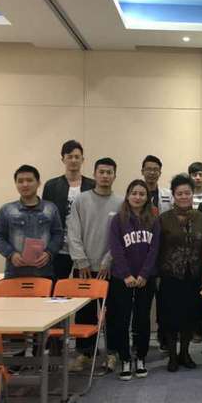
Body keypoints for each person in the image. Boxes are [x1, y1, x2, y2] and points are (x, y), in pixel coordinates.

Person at [67, 157, 123, 372]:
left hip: (110, 268)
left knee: (114, 313)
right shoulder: (81, 200)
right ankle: (85, 353)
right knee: (85, 313)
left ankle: (113, 353)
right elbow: (73, 232)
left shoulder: (121, 203)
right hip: (84, 268)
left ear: (115, 176)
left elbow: (120, 236)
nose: (105, 176)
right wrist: (80, 260)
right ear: (94, 174)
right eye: (102, 172)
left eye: (109, 172)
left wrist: (108, 260)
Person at [108, 179, 160, 381]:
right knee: (122, 319)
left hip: (146, 279)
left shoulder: (153, 219)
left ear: (147, 198)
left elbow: (154, 249)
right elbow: (116, 249)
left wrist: (144, 274)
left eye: (142, 194)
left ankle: (141, 357)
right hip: (122, 279)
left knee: (142, 319)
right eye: (134, 193)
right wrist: (126, 275)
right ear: (128, 195)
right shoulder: (118, 220)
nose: (138, 197)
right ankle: (124, 358)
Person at [157, 174, 202, 372]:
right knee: (170, 317)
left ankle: (185, 353)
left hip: (193, 275)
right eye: (180, 193)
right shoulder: (163, 219)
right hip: (170, 275)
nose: (184, 196)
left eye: (187, 193)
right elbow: (157, 248)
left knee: (190, 316)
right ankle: (172, 355)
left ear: (192, 194)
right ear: (173, 195)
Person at [0, 165, 63, 279]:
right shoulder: (7, 210)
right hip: (14, 273)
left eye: (29, 180)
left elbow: (58, 235)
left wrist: (49, 253)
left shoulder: (51, 208)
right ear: (16, 184)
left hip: (44, 273)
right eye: (20, 181)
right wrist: (11, 254)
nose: (25, 184)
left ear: (38, 183)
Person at [42, 140, 95, 280]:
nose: (73, 160)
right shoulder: (51, 186)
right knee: (56, 286)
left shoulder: (92, 185)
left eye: (77, 157)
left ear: (83, 160)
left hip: (84, 249)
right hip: (59, 248)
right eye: (69, 156)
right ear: (63, 159)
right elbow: (46, 218)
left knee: (83, 287)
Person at [140, 154, 172, 352]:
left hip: (163, 252)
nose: (152, 172)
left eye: (155, 169)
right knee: (143, 299)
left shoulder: (167, 194)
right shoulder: (136, 193)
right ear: (142, 171)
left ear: (160, 172)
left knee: (164, 298)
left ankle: (163, 335)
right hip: (142, 252)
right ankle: (140, 339)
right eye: (148, 169)